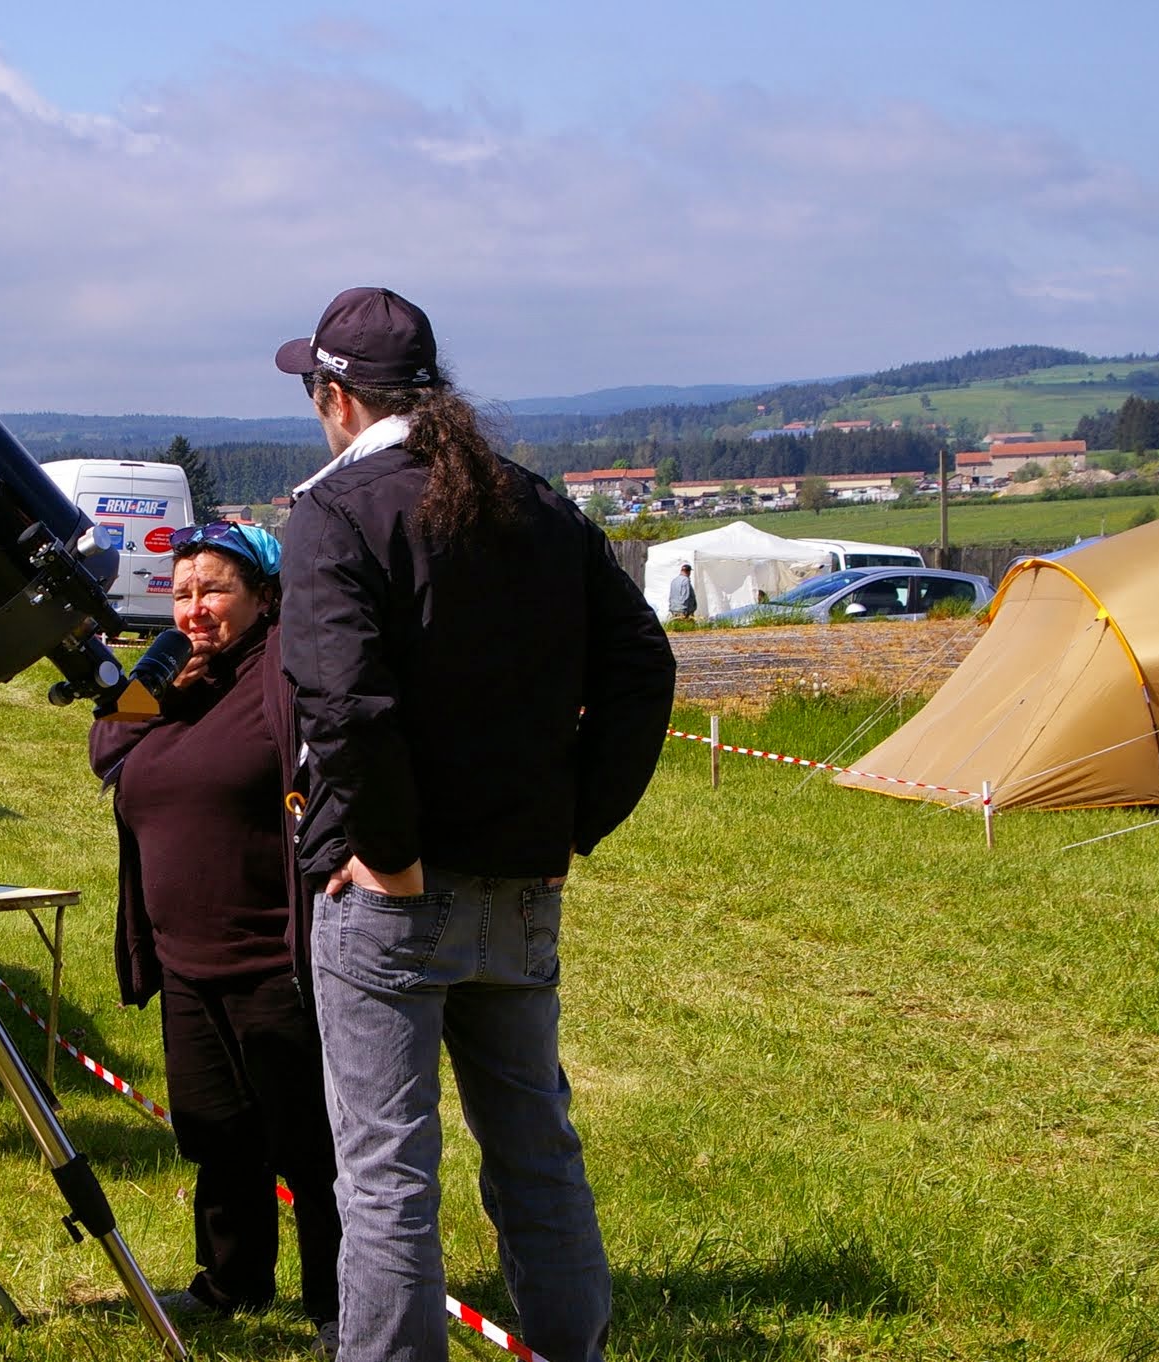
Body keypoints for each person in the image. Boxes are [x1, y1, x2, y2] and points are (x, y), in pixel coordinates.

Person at [273, 287, 675, 1362]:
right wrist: (568, 826)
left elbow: (344, 704)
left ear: (338, 400)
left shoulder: (335, 513)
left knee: (385, 1175)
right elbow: (641, 667)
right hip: (517, 883)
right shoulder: (534, 503)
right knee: (537, 1151)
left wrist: (391, 853)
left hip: (390, 893)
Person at [89, 521, 343, 1353]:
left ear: (264, 595)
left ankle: (339, 1300)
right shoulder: (174, 671)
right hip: (185, 956)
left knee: (309, 1144)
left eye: (214, 590)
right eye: (182, 591)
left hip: (273, 954)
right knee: (216, 1128)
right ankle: (233, 1281)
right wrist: (161, 685)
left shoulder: (286, 670)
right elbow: (105, 743)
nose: (194, 607)